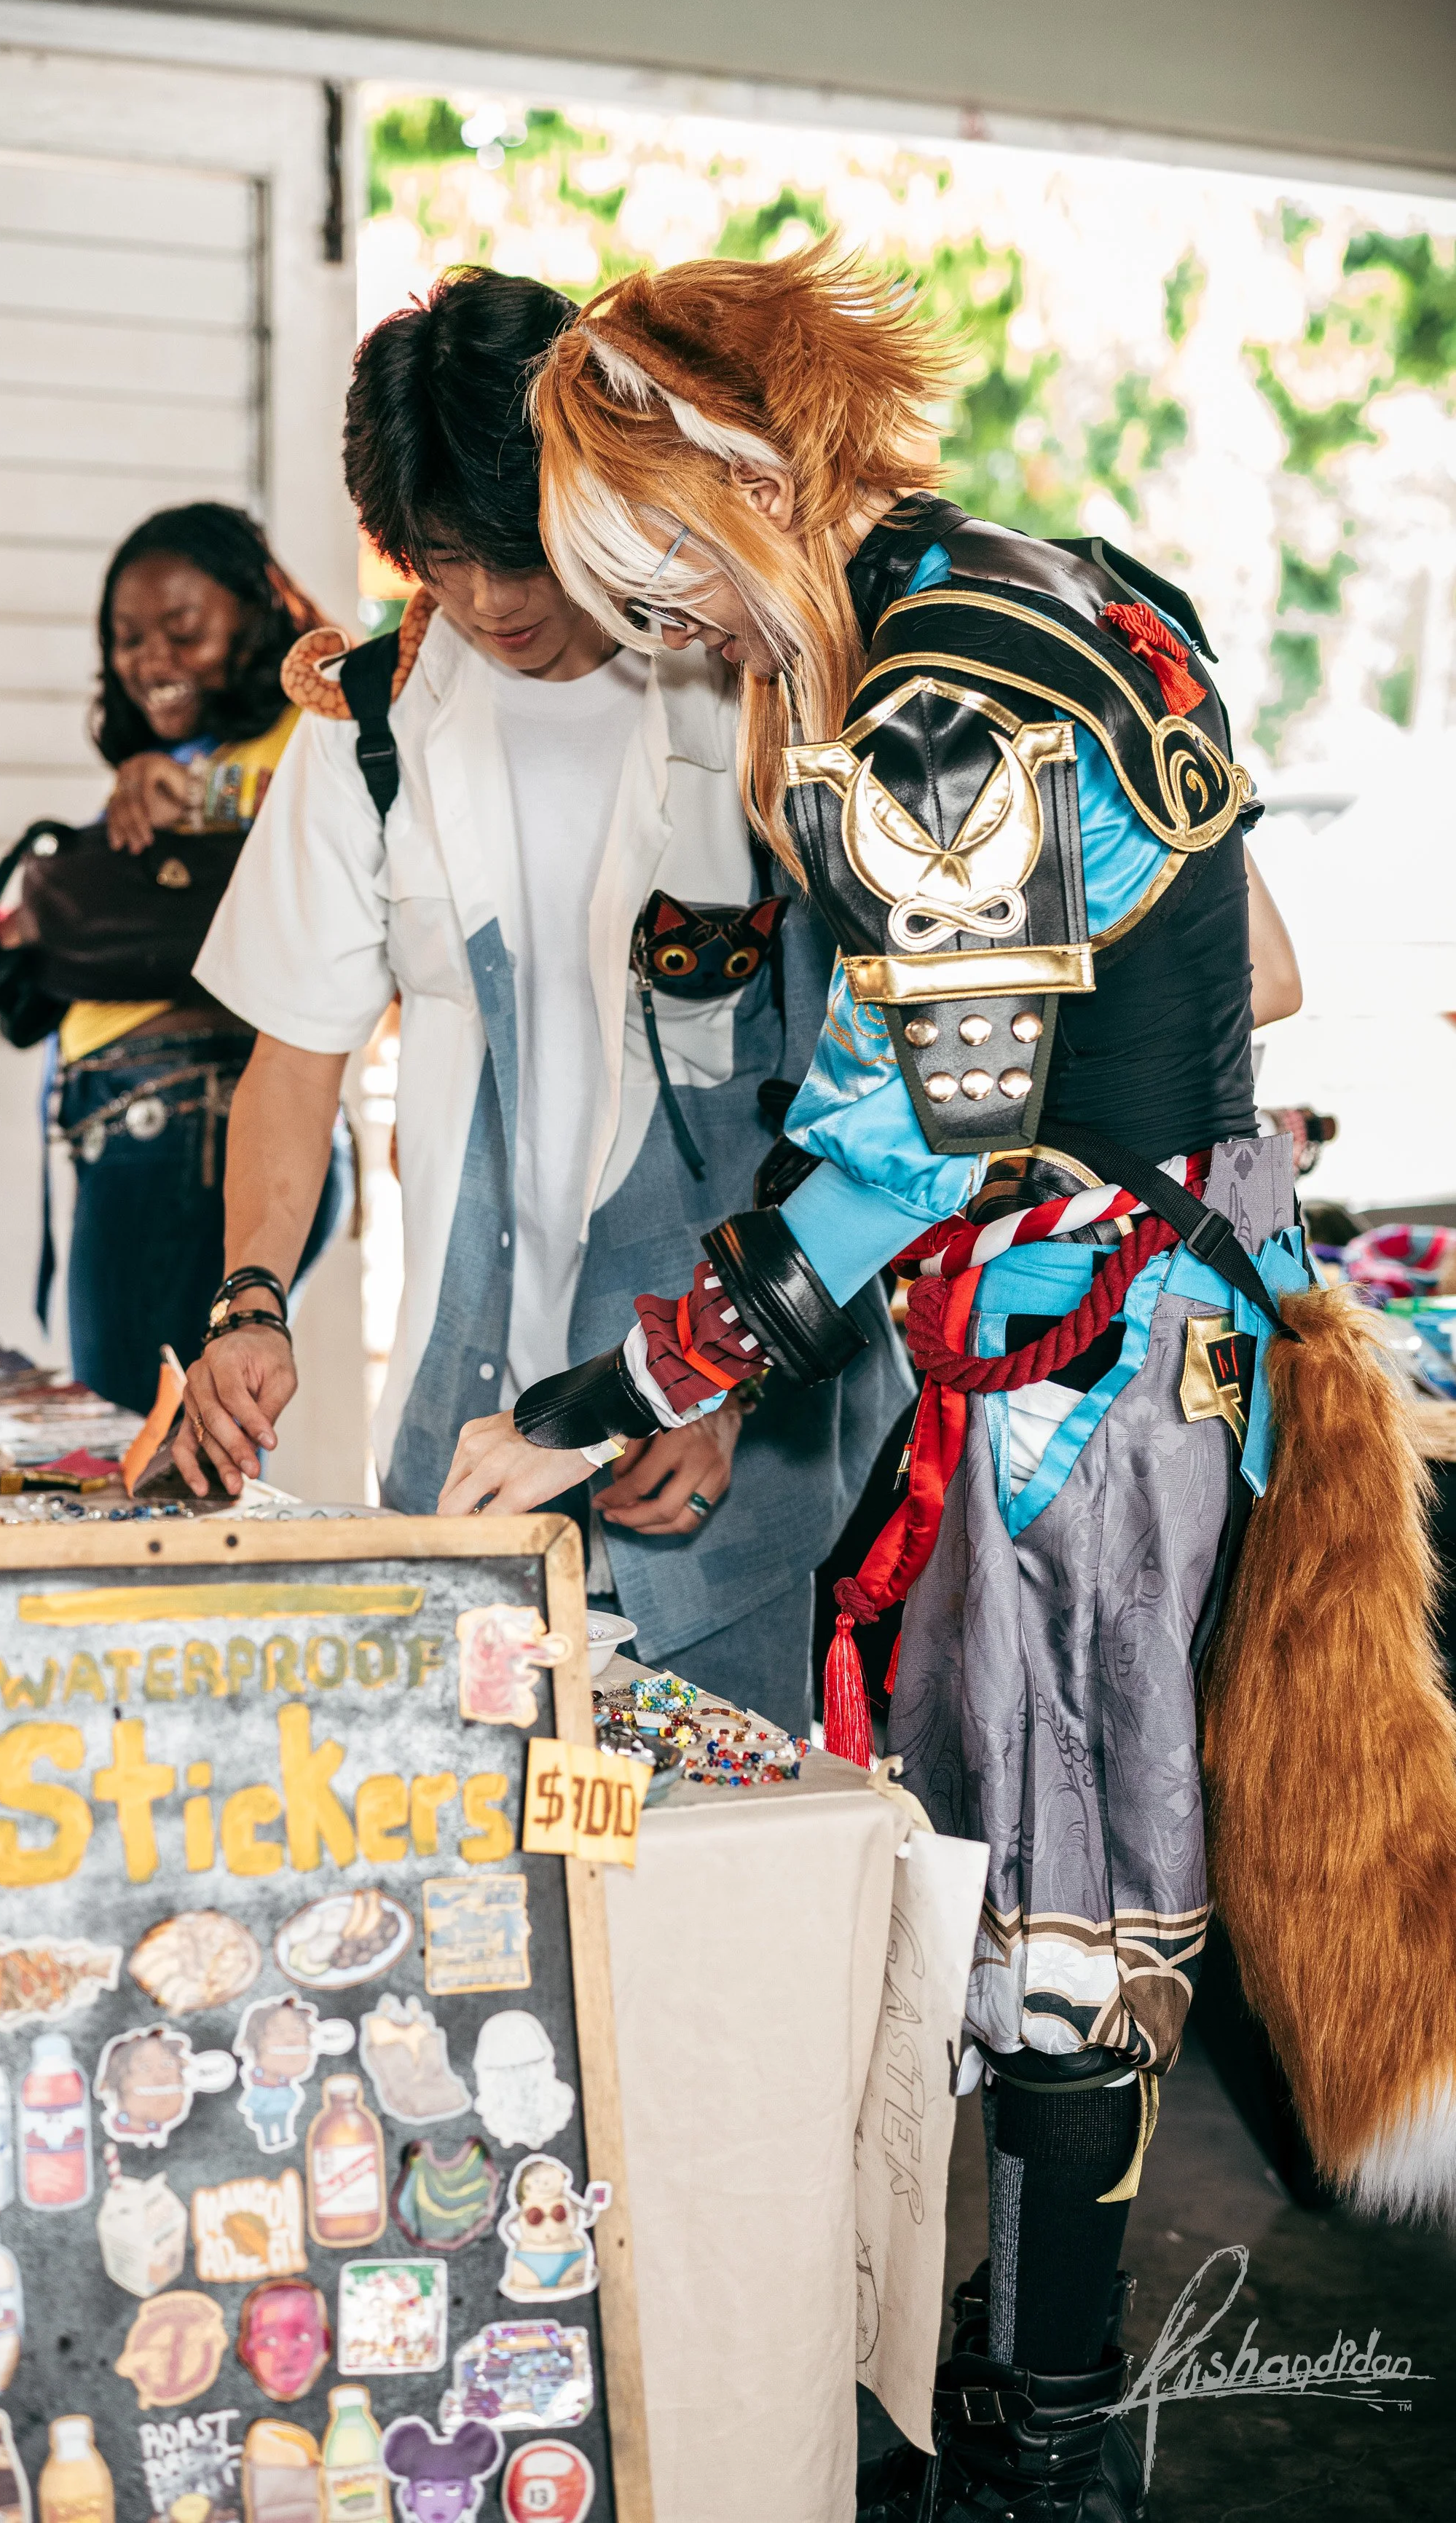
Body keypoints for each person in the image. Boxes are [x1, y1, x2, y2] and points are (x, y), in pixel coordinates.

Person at [438, 244, 1456, 2519]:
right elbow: (1255, 963)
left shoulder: (922, 696)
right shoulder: (1068, 587)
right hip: (1159, 1331)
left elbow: (919, 1136)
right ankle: (1026, 2426)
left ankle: (1048, 2460)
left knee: (1059, 1938)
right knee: (1047, 1912)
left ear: (724, 472)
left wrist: (614, 1389)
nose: (643, 626)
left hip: (1071, 1374)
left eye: (645, 566)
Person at [176, 268, 911, 1731]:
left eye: (525, 554)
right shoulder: (362, 729)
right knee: (488, 1875)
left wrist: (728, 1387)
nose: (497, 604)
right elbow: (295, 1052)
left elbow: (875, 1095)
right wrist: (250, 1298)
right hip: (476, 1433)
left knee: (728, 1882)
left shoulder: (747, 676)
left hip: (730, 1450)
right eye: (447, 560)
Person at [22, 503, 353, 1417]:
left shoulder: (310, 721)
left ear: (255, 612)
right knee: (158, 1434)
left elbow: (330, 846)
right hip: (139, 1124)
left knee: (143, 1439)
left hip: (186, 1125)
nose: (151, 659)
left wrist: (190, 791)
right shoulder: (178, 749)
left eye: (184, 629)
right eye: (128, 638)